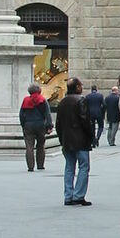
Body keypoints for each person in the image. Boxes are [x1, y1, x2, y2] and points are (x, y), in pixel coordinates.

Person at [55, 76, 94, 206]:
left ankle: (68, 196)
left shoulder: (62, 102)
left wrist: (62, 139)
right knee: (83, 166)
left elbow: (58, 124)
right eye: (81, 85)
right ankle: (79, 195)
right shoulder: (81, 100)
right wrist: (91, 137)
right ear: (77, 87)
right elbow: (85, 121)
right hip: (80, 140)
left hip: (67, 140)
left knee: (69, 167)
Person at [19, 81, 53, 172]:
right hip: (40, 125)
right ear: (39, 90)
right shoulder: (42, 100)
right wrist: (49, 125)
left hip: (28, 125)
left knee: (29, 146)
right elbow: (47, 114)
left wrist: (23, 124)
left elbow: (21, 114)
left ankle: (30, 166)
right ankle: (40, 165)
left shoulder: (26, 100)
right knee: (41, 145)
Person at [85, 82, 106, 147]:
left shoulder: (88, 96)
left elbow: (85, 106)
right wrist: (102, 112)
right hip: (99, 112)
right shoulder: (100, 96)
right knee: (101, 126)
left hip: (90, 114)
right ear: (96, 89)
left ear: (91, 89)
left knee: (92, 127)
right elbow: (104, 105)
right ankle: (97, 138)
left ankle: (93, 141)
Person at [104, 82, 120, 146]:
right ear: (116, 91)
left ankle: (108, 139)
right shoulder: (118, 98)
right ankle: (112, 141)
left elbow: (105, 106)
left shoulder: (107, 97)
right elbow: (119, 106)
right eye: (117, 90)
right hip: (116, 114)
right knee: (115, 128)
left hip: (109, 114)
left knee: (110, 128)